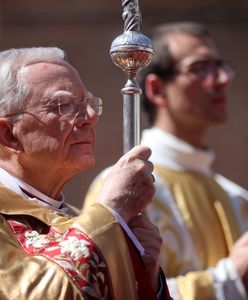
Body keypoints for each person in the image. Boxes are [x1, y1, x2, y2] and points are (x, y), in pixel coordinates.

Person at [84, 22, 248, 299]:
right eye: (200, 68)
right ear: (157, 89)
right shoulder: (125, 189)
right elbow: (113, 291)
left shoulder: (237, 197)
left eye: (220, 66)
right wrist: (230, 278)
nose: (222, 79)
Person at [0, 47, 171, 300]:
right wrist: (110, 211)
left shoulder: (81, 220)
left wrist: (145, 278)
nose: (90, 117)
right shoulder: (100, 222)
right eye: (63, 105)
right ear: (8, 134)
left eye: (88, 103)